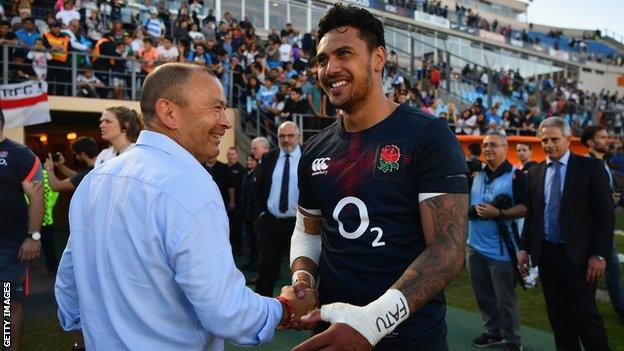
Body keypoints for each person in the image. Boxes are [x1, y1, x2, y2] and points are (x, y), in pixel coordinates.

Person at [54, 63, 318, 350]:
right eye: (215, 108)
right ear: (169, 112)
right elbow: (225, 310)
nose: (226, 122)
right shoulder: (190, 186)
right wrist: (287, 309)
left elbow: (69, 282)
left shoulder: (95, 179)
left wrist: (83, 335)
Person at [290, 4, 469, 350]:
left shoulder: (428, 135)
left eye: (344, 54)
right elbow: (307, 229)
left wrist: (371, 323)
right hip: (333, 330)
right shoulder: (314, 149)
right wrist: (302, 279)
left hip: (410, 340)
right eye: (323, 59)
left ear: (378, 58)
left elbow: (448, 250)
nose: (330, 68)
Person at [518, 117, 613, 351]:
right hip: (548, 255)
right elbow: (533, 216)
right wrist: (523, 248)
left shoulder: (590, 168)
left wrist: (599, 255)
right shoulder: (536, 172)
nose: (549, 144)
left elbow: (605, 216)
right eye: (544, 140)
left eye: (554, 139)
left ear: (568, 139)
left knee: (585, 315)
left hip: (580, 257)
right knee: (559, 318)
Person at [467, 131, 527, 351]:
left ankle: (513, 339)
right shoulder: (476, 173)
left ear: (505, 147)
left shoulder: (516, 176)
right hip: (474, 246)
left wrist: (498, 213)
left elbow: (524, 208)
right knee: (483, 295)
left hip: (502, 250)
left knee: (506, 300)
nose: (487, 149)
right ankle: (493, 332)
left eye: (493, 145)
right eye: (484, 146)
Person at [0, 109, 44, 351]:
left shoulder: (19, 154)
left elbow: (37, 197)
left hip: (10, 243)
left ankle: (9, 348)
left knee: (7, 301)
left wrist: (33, 236)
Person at [581, 125, 624, 323]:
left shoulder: (603, 162)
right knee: (605, 267)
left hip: (603, 226)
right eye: (603, 137)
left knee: (611, 267)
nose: (608, 140)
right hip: (592, 228)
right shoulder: (584, 165)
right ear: (590, 142)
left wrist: (612, 198)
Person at [253, 121, 301, 297]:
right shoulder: (269, 157)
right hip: (271, 221)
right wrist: (262, 212)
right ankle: (261, 307)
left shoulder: (307, 157)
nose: (286, 140)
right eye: (282, 136)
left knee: (302, 268)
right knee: (267, 268)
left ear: (298, 136)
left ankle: (305, 311)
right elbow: (259, 188)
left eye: (290, 135)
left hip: (299, 224)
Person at [226, 147, 245, 254]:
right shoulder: (223, 168)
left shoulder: (241, 169)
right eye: (229, 154)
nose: (230, 156)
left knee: (237, 226)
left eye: (232, 154)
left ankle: (238, 248)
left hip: (238, 203)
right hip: (224, 201)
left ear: (237, 155)